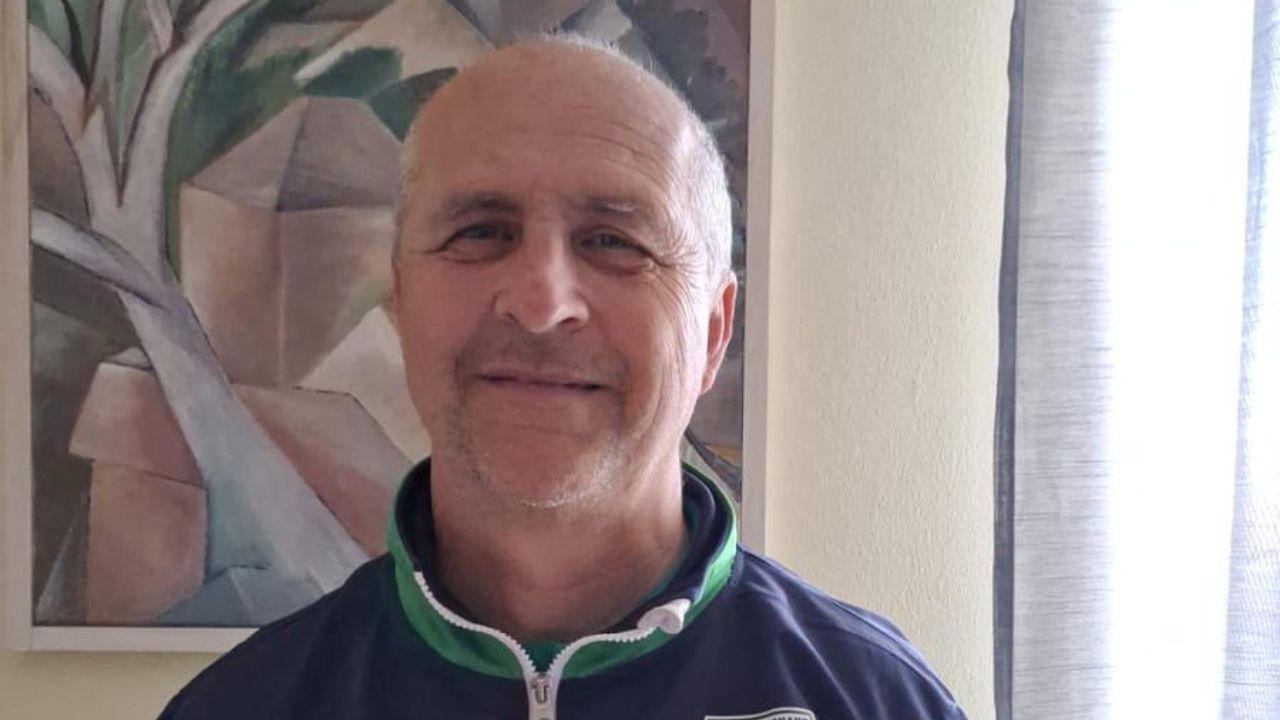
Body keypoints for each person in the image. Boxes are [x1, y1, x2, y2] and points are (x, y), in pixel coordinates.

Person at [159, 35, 967, 720]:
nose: (542, 303)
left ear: (713, 332)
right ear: (402, 302)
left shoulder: (877, 700)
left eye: (614, 242)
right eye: (481, 232)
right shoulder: (240, 706)